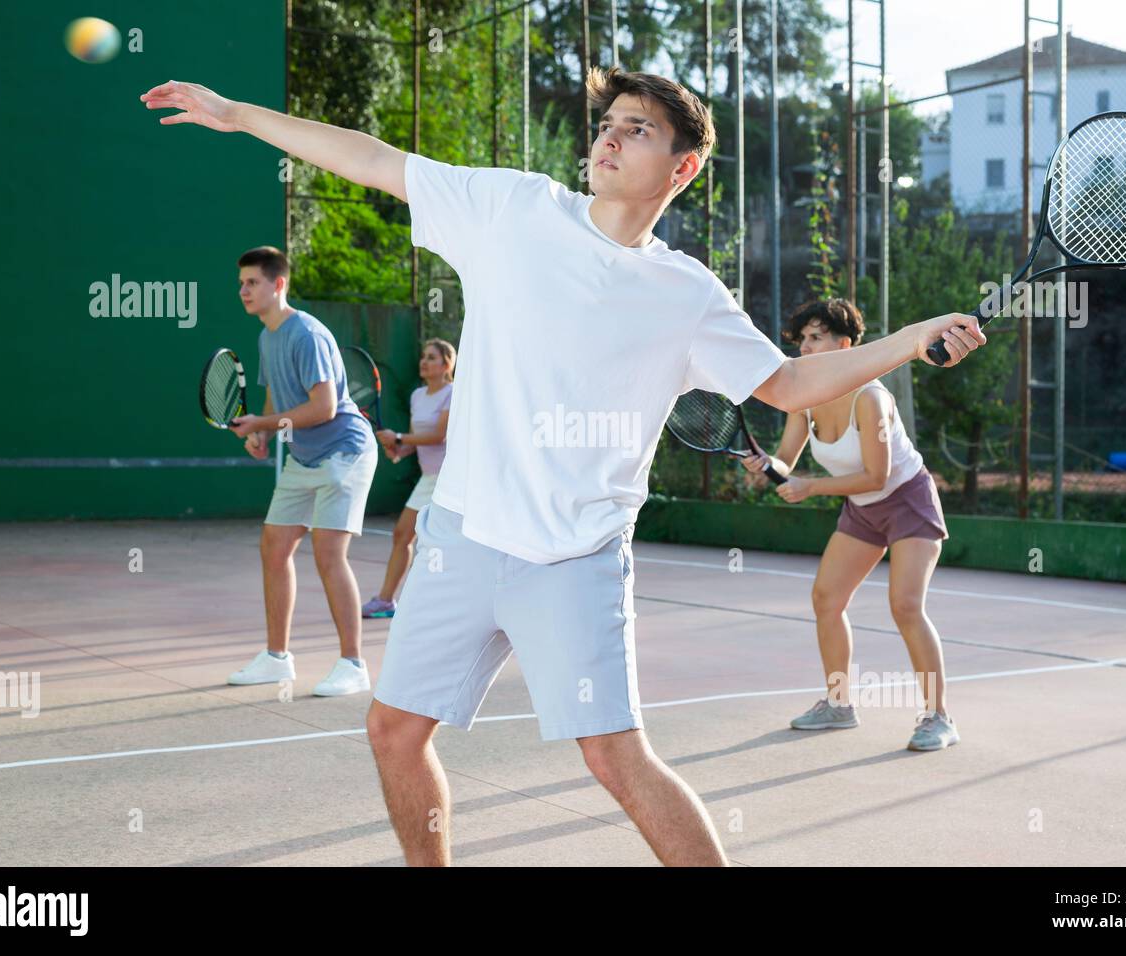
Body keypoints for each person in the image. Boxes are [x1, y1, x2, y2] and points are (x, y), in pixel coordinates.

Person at [141, 67, 984, 866]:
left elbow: (790, 381)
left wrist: (907, 341)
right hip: (461, 538)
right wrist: (241, 116)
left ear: (682, 167)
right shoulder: (512, 207)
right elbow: (372, 157)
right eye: (607, 125)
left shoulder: (687, 293)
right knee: (393, 729)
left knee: (616, 757)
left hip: (576, 559)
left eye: (638, 129)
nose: (609, 140)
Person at [742, 299, 957, 751]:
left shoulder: (871, 399)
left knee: (905, 605)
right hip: (862, 507)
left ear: (845, 344)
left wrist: (809, 488)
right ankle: (839, 705)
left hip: (907, 501)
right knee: (826, 599)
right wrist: (766, 464)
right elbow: (786, 459)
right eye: (801, 340)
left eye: (815, 338)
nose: (804, 348)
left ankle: (938, 717)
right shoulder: (804, 399)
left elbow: (877, 477)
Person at [223, 246, 377, 697]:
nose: (244, 291)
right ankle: (277, 659)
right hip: (304, 455)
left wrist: (264, 423)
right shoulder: (267, 336)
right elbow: (276, 398)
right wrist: (264, 433)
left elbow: (324, 407)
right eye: (241, 284)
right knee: (274, 547)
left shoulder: (305, 333)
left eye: (252, 282)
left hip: (344, 452)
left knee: (329, 553)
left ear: (279, 285)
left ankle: (353, 664)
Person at [362, 338, 456, 619]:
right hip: (428, 477)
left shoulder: (453, 393)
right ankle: (386, 601)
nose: (424, 362)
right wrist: (399, 449)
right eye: (423, 356)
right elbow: (418, 441)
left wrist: (400, 436)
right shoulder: (417, 396)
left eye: (431, 357)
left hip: (450, 479)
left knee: (445, 542)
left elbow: (440, 436)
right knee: (402, 534)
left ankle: (450, 603)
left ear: (446, 365)